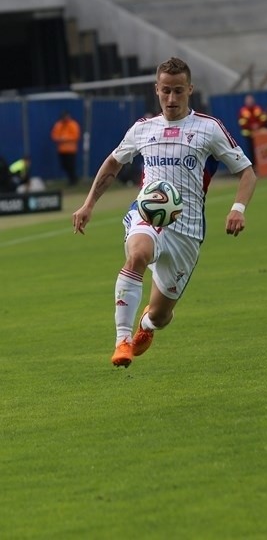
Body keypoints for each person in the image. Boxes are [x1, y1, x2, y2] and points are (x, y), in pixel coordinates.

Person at [72, 57, 257, 368]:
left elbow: (247, 172)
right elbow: (113, 163)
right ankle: (122, 341)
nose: (172, 99)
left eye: (179, 91)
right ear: (156, 90)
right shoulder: (143, 130)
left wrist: (238, 208)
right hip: (148, 214)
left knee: (161, 314)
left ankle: (146, 325)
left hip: (187, 231)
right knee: (137, 255)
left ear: (190, 90)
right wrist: (89, 203)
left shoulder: (208, 129)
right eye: (166, 91)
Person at [50, 111, 81, 185]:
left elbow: (76, 136)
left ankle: (73, 180)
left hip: (71, 150)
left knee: (71, 166)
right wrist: (60, 139)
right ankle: (72, 178)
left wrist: (66, 138)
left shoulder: (73, 124)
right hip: (61, 150)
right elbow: (54, 135)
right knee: (64, 166)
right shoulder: (58, 125)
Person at [238, 94, 267, 163]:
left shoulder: (258, 108)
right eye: (248, 100)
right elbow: (242, 122)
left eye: (251, 100)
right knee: (251, 151)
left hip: (260, 134)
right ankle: (254, 165)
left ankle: (263, 164)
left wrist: (258, 125)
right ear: (245, 102)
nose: (250, 102)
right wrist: (251, 127)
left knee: (262, 149)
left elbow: (264, 118)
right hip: (249, 135)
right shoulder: (243, 111)